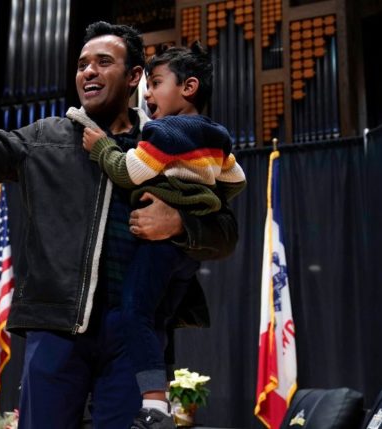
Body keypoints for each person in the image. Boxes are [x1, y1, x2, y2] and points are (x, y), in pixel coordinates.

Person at [0, 16, 237, 429]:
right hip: (56, 330)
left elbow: (225, 233)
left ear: (135, 77)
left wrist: (180, 223)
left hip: (135, 334)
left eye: (103, 61)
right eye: (82, 64)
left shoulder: (173, 139)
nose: (88, 71)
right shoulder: (43, 138)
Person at [73, 42, 246, 421]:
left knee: (136, 313)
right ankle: (157, 395)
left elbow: (126, 172)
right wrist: (204, 199)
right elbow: (236, 180)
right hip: (185, 258)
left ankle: (153, 402)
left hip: (159, 249)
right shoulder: (217, 136)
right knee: (158, 318)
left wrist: (102, 147)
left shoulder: (162, 132)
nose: (147, 94)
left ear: (189, 87)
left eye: (155, 83)